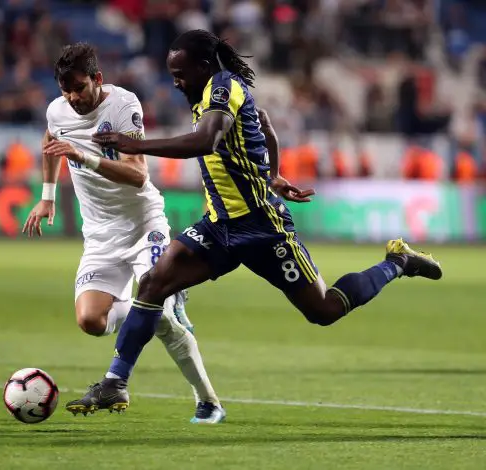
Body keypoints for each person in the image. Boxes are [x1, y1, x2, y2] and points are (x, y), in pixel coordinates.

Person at [67, 30, 444, 415]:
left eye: (180, 74)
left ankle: (398, 262)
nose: (176, 82)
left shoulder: (222, 87)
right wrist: (272, 175)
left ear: (203, 66)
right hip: (219, 227)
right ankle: (115, 383)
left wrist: (135, 145)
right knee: (153, 284)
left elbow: (206, 141)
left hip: (262, 227)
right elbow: (263, 123)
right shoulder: (205, 94)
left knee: (324, 310)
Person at [22, 42, 225, 424]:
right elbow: (50, 142)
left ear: (97, 79)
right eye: (66, 90)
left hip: (143, 226)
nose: (72, 97)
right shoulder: (57, 110)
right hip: (100, 236)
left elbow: (137, 175)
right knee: (91, 321)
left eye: (79, 88)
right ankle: (161, 300)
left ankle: (208, 401)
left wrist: (82, 156)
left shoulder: (122, 105)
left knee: (161, 316)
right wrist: (47, 196)